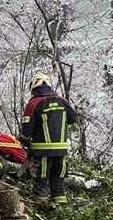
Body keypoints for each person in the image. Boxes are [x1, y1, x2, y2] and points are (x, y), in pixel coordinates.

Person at [19, 72, 78, 205]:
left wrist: (24, 140)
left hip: (41, 151)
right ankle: (61, 208)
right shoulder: (63, 101)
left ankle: (41, 205)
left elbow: (27, 128)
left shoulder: (33, 103)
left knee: (41, 178)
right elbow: (73, 118)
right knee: (58, 179)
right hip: (61, 150)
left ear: (33, 86)